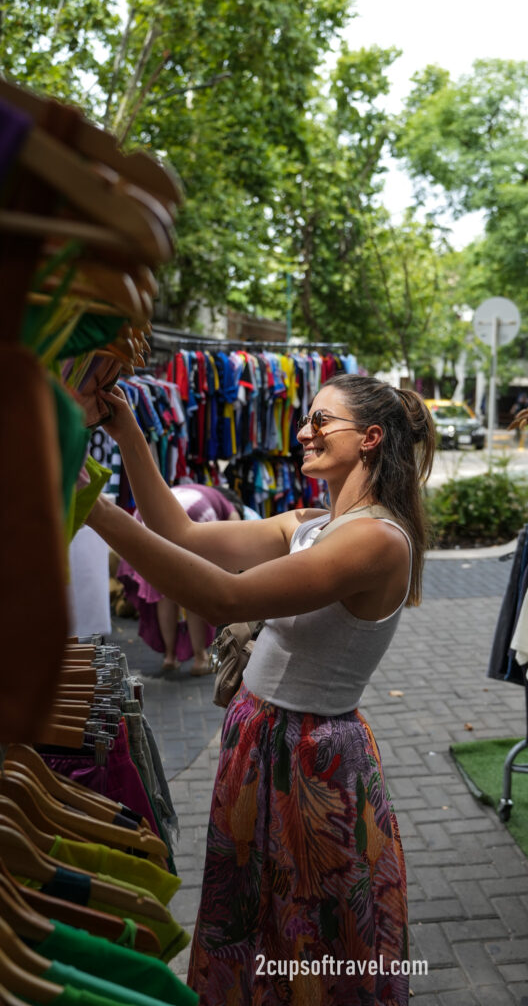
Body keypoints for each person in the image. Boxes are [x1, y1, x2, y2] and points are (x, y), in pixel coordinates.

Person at [85, 373, 436, 1006]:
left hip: (311, 760)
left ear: (371, 439)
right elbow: (182, 535)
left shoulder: (377, 541)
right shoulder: (312, 523)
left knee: (311, 936)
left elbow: (225, 596)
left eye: (322, 421)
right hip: (262, 742)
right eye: (307, 418)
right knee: (254, 925)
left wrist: (97, 510)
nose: (303, 431)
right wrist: (128, 432)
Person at [117, 484, 241, 676]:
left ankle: (169, 657)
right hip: (187, 518)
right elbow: (235, 540)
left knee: (164, 591)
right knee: (192, 592)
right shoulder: (227, 505)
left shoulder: (196, 489)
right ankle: (200, 659)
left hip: (145, 517)